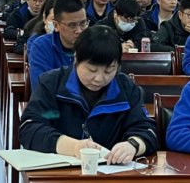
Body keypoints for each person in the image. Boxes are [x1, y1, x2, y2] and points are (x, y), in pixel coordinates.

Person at [19, 26, 157, 163]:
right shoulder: (51, 84)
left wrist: (133, 145)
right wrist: (73, 146)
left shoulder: (126, 87)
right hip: (61, 170)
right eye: (92, 70)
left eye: (109, 71)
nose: (99, 79)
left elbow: (147, 129)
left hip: (111, 170)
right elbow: (29, 128)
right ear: (76, 59)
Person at [28, 0, 87, 90]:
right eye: (72, 25)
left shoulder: (92, 44)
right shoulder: (41, 46)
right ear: (56, 25)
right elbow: (42, 88)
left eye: (83, 23)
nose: (79, 30)